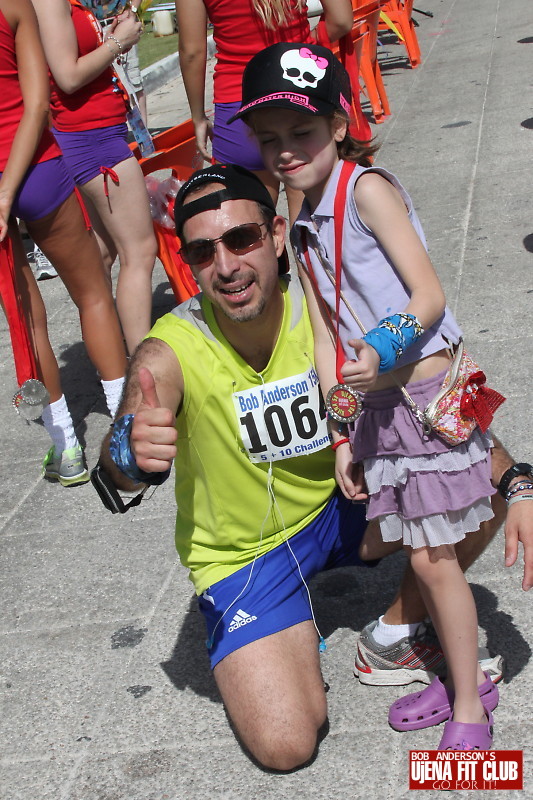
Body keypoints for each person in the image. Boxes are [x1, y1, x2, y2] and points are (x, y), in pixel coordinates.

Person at [97, 164, 533, 769]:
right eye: (202, 251)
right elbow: (121, 454)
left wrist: (517, 482)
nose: (226, 266)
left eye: (241, 239)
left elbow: (437, 400)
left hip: (344, 505)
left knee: (480, 487)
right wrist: (130, 454)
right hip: (245, 553)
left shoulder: (328, 305)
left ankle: (394, 634)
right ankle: (277, 625)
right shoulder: (170, 346)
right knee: (286, 745)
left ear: (277, 235)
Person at [233, 41, 526, 751]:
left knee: (431, 559)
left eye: (301, 131)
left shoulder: (365, 191)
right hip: (380, 412)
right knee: (422, 553)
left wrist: (377, 350)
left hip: (425, 398)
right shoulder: (300, 218)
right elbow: (325, 336)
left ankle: (467, 706)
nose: (285, 150)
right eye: (269, 138)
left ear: (338, 124)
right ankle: (451, 669)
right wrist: (343, 433)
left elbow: (427, 295)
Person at [0, 0, 127, 484]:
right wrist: (10, 191)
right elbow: (37, 104)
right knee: (92, 294)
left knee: (27, 317)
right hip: (37, 166)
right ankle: (125, 431)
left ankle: (67, 448)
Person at [32, 0, 157, 354]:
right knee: (139, 250)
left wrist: (109, 36)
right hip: (93, 139)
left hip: (96, 134)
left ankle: (112, 355)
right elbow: (68, 76)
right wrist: (118, 42)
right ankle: (143, 363)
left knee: (102, 252)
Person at [175, 0, 353, 219]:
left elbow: (192, 51)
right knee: (314, 224)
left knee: (250, 227)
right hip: (302, 92)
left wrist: (198, 116)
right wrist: (306, 52)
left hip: (240, 103)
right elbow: (341, 21)